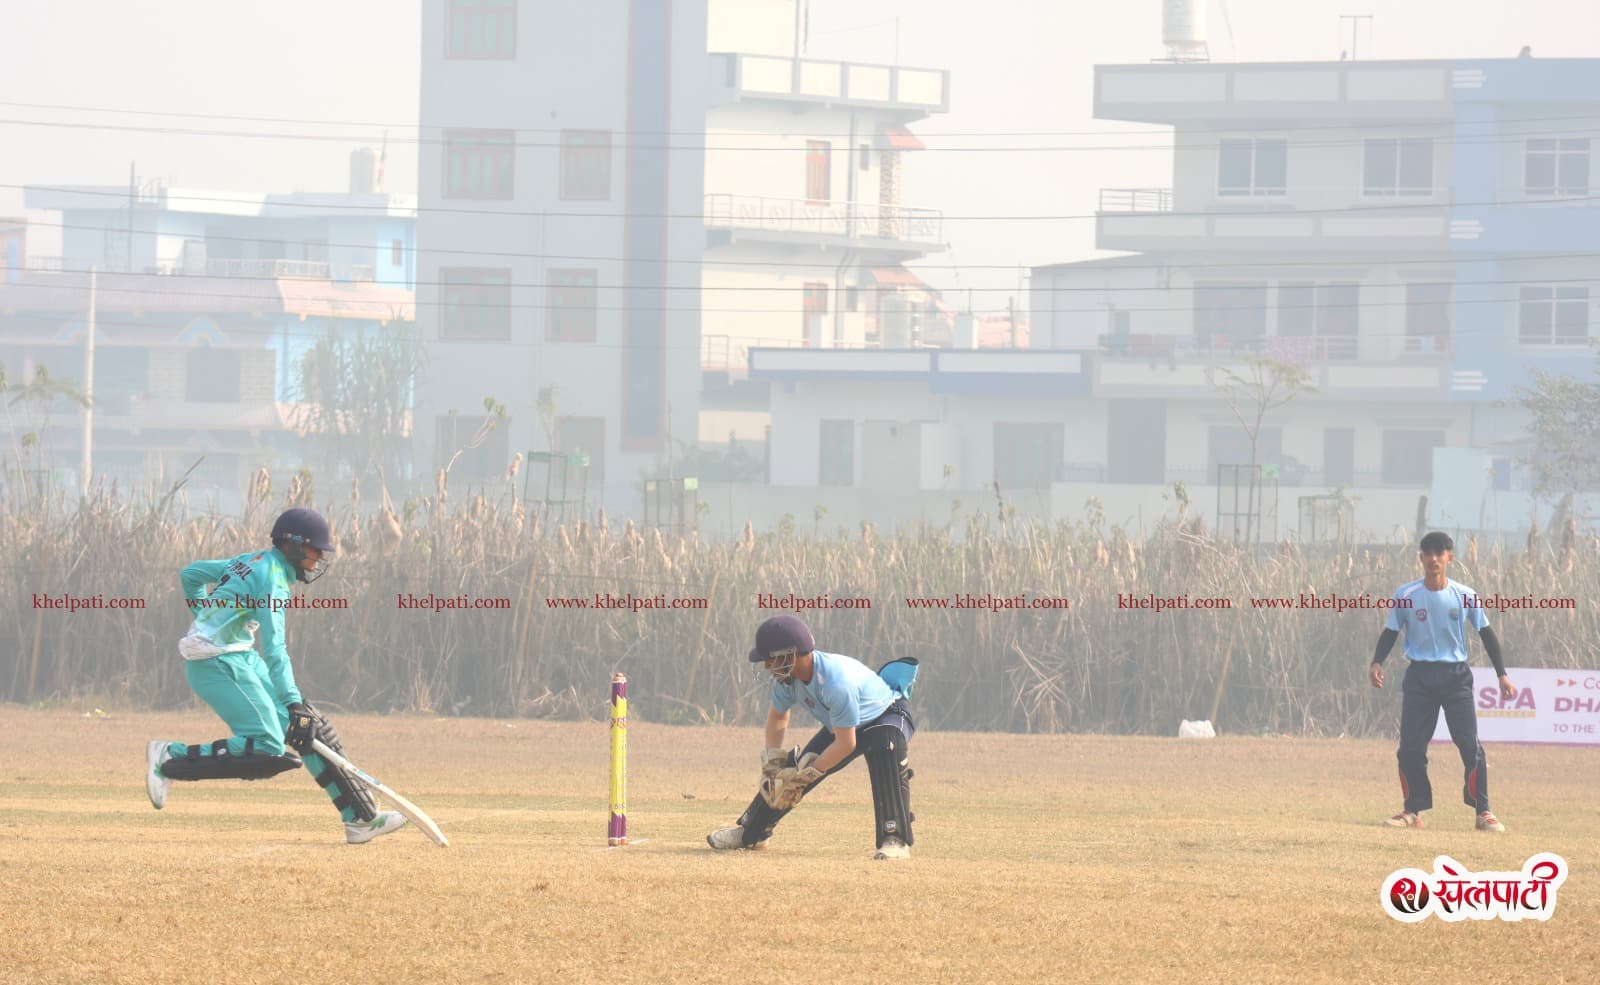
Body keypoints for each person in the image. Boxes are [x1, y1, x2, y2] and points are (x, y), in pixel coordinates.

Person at [145, 507, 408, 844]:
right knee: (267, 746)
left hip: (237, 655)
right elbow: (275, 650)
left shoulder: (253, 559)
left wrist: (206, 616)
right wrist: (291, 701)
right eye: (315, 551)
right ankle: (169, 755)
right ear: (294, 545)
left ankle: (359, 818)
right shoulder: (273, 582)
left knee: (311, 729)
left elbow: (191, 574)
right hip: (214, 663)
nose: (318, 559)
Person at [707, 615, 918, 860]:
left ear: (790, 654)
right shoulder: (787, 680)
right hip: (844, 726)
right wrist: (774, 764)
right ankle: (751, 833)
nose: (766, 666)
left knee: (884, 747)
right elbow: (777, 719)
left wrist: (807, 775)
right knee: (790, 770)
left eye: (770, 659)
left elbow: (846, 744)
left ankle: (895, 839)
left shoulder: (836, 682)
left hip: (886, 714)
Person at [1370, 531, 1516, 832]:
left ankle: (1483, 811)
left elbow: (1486, 633)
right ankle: (1412, 811)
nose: (1434, 559)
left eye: (1440, 553)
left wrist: (1502, 674)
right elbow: (1391, 632)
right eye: (1428, 553)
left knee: (1469, 745)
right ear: (1421, 558)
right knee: (1410, 747)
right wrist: (1377, 662)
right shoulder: (1406, 595)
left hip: (1455, 677)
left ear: (1450, 557)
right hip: (1420, 677)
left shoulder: (1464, 595)